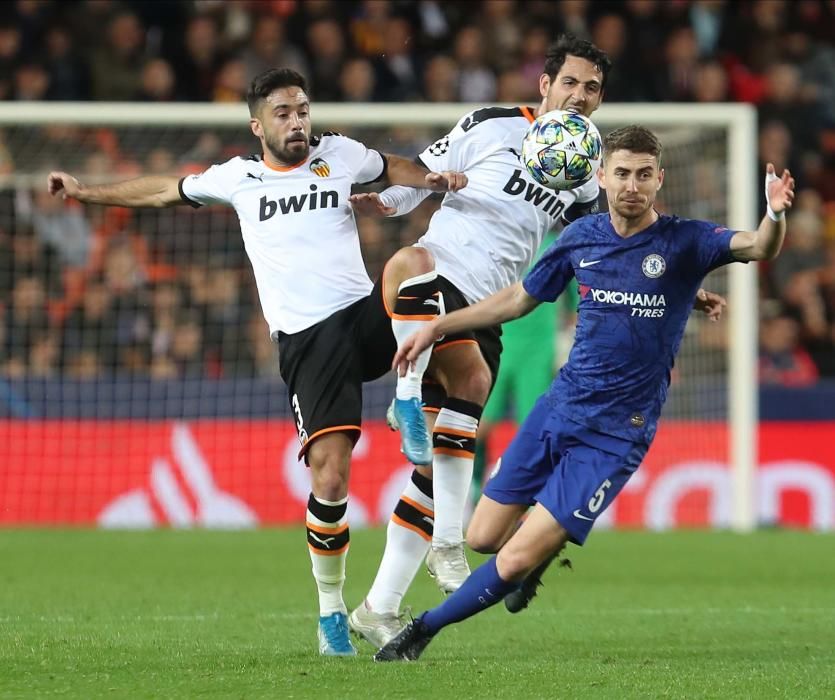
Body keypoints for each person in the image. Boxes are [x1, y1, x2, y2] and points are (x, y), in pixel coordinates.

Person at [46, 67, 468, 657]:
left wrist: (432, 178)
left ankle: (408, 398)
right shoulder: (236, 178)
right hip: (306, 342)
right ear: (257, 124)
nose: (297, 122)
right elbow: (163, 189)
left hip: (360, 316)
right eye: (283, 113)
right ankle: (331, 615)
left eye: (302, 110)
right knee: (331, 477)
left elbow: (393, 166)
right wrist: (87, 191)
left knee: (413, 263)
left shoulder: (339, 154)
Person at [347, 35, 724, 649]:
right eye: (570, 83)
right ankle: (410, 410)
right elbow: (424, 171)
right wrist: (387, 198)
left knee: (434, 463)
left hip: (493, 308)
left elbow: (606, 241)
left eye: (592, 88)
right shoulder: (491, 125)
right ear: (544, 84)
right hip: (441, 277)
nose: (580, 96)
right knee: (407, 264)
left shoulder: (589, 164)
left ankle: (380, 605)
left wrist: (686, 285)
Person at [374, 125, 795, 662]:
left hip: (617, 435)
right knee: (481, 537)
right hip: (559, 408)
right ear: (601, 177)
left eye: (644, 174)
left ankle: (419, 633)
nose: (632, 185)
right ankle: (545, 544)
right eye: (621, 173)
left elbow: (757, 246)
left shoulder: (686, 240)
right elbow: (516, 301)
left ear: (660, 179)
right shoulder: (581, 237)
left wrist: (774, 214)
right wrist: (438, 326)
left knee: (513, 560)